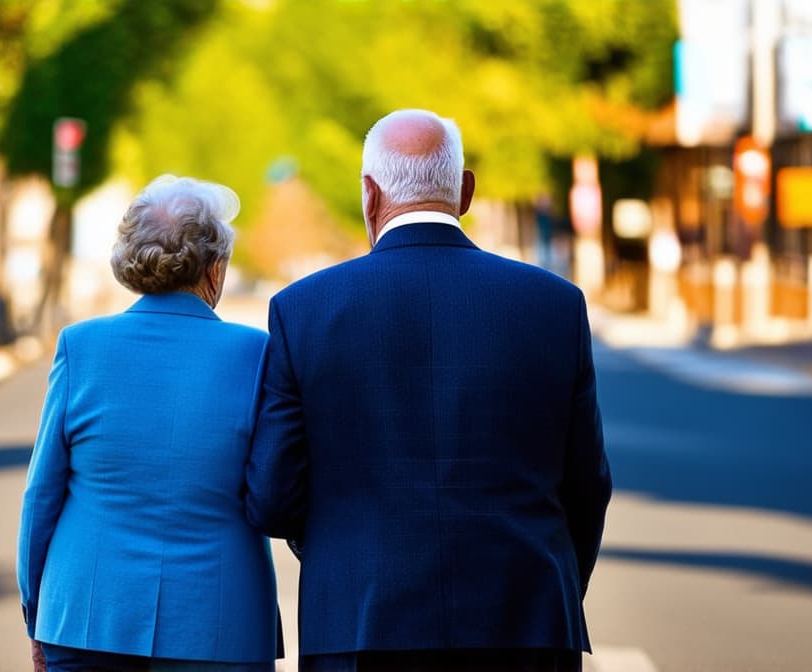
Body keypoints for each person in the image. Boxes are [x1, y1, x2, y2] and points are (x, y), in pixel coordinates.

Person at [245, 110, 611, 672]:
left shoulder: (303, 310)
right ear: (465, 191)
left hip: (359, 622)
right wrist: (552, 586)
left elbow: (273, 496)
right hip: (526, 617)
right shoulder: (555, 305)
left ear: (369, 194)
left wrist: (339, 548)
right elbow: (588, 484)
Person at [18, 175, 282, 672]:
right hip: (219, 623)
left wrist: (38, 613)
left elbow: (42, 496)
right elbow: (273, 489)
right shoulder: (258, 353)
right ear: (215, 266)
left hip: (87, 617)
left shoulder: (81, 347)